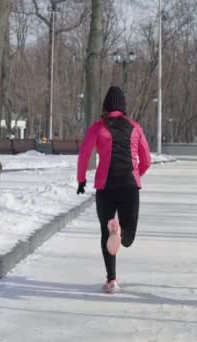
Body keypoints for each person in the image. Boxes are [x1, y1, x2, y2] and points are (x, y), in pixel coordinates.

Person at [77, 86, 152, 293]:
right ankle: (122, 232)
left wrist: (81, 179)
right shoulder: (135, 127)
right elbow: (146, 159)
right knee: (128, 237)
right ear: (123, 106)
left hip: (105, 186)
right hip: (129, 185)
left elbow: (84, 154)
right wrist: (137, 173)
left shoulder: (98, 127)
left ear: (105, 106)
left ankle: (111, 280)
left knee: (105, 233)